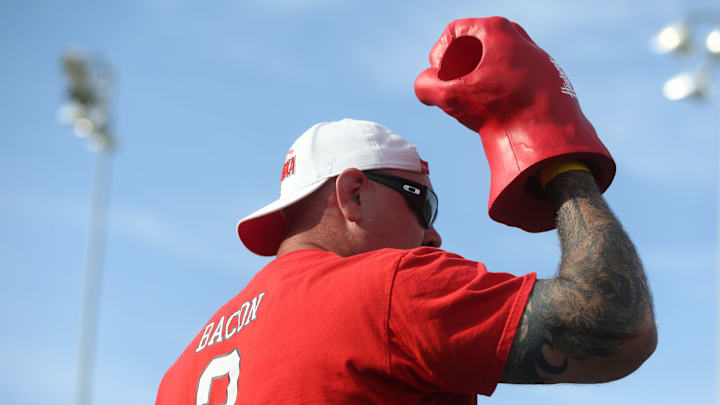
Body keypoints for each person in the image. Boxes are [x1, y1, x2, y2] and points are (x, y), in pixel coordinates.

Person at [155, 17, 657, 405]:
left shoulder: (178, 375)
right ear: (352, 193)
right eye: (423, 203)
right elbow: (618, 325)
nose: (433, 236)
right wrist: (556, 152)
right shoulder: (387, 290)